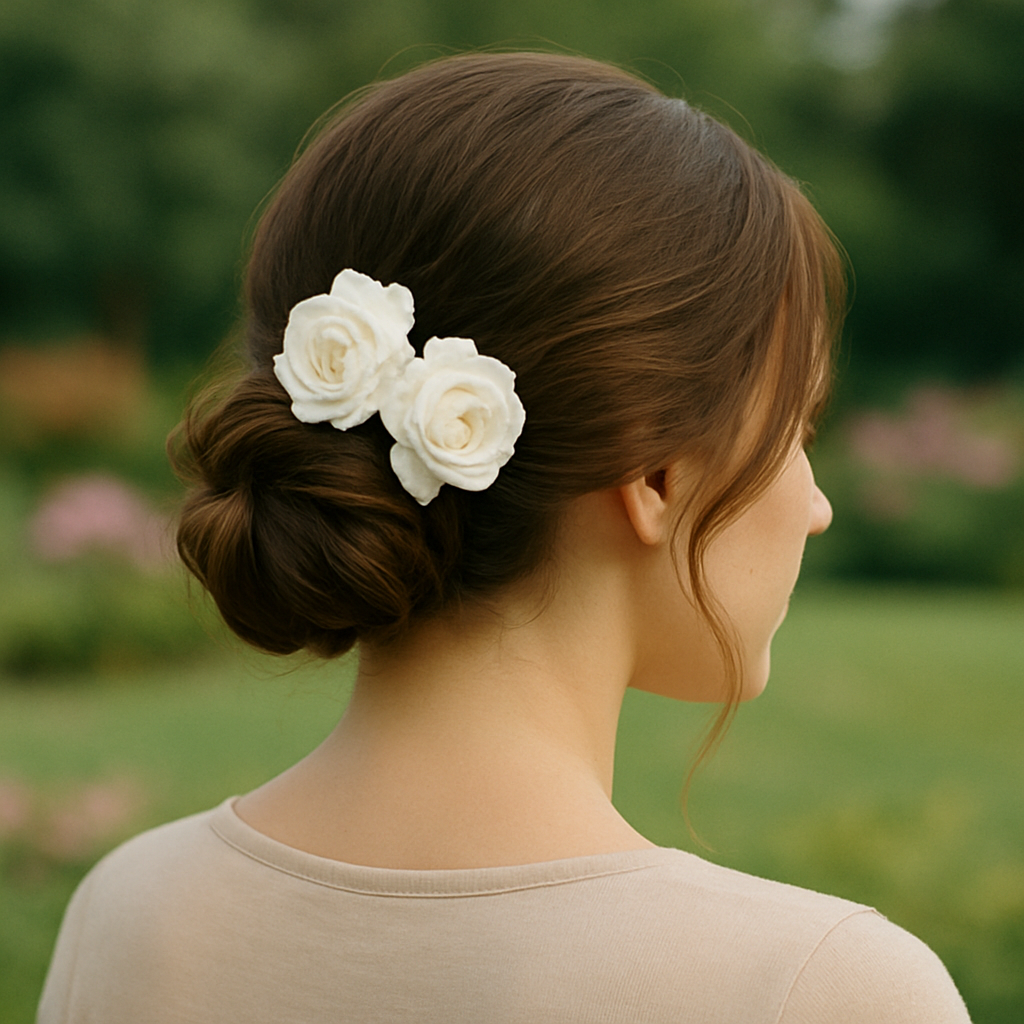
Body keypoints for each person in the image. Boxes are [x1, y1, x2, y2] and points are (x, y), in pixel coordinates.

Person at [38, 52, 971, 1023]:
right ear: (656, 475)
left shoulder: (131, 911)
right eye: (797, 428)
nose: (814, 503)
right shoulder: (820, 989)